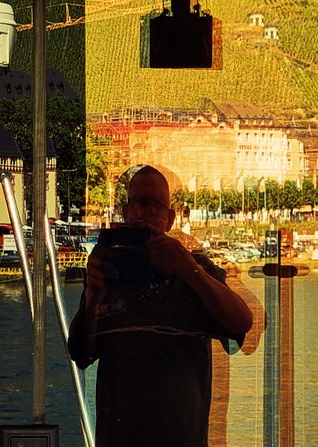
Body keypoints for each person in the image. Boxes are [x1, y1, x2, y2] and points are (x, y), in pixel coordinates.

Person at [68, 166, 254, 447]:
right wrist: (92, 294)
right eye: (137, 203)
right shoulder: (108, 269)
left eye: (154, 205)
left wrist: (190, 271)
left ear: (169, 218)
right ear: (126, 212)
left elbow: (241, 322)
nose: (144, 213)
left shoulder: (195, 269)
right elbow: (80, 353)